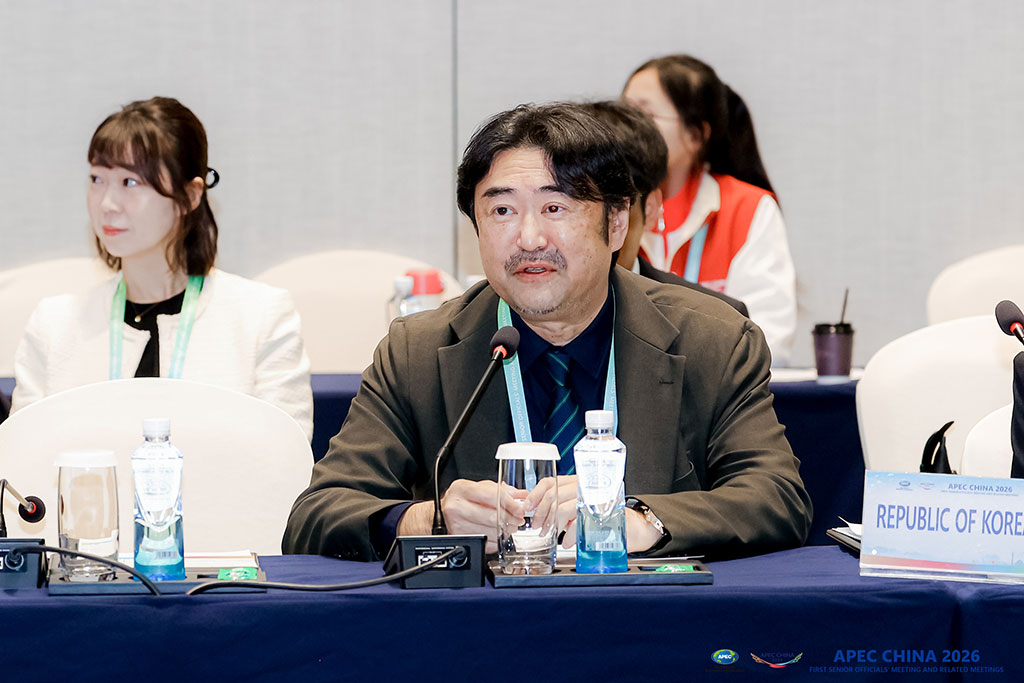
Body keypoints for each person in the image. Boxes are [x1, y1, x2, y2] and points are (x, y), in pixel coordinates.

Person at [283, 103, 811, 561]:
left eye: (555, 207)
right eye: (502, 210)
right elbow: (316, 515)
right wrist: (426, 520)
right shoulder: (418, 351)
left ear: (617, 224)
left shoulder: (712, 341)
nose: (529, 238)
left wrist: (639, 519)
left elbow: (776, 497)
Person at [12, 97, 313, 440]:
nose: (107, 204)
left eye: (130, 182)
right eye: (97, 179)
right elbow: (21, 462)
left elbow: (285, 459)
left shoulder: (262, 318)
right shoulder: (54, 326)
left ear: (190, 195)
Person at [623, 55, 796, 365]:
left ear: (696, 135)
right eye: (623, 111)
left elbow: (768, 339)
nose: (626, 127)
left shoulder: (747, 208)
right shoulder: (610, 209)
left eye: (644, 114)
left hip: (715, 386)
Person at [581, 100, 748, 317]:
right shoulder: (535, 309)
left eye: (613, 214)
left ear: (650, 209)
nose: (590, 232)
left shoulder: (716, 321)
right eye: (559, 210)